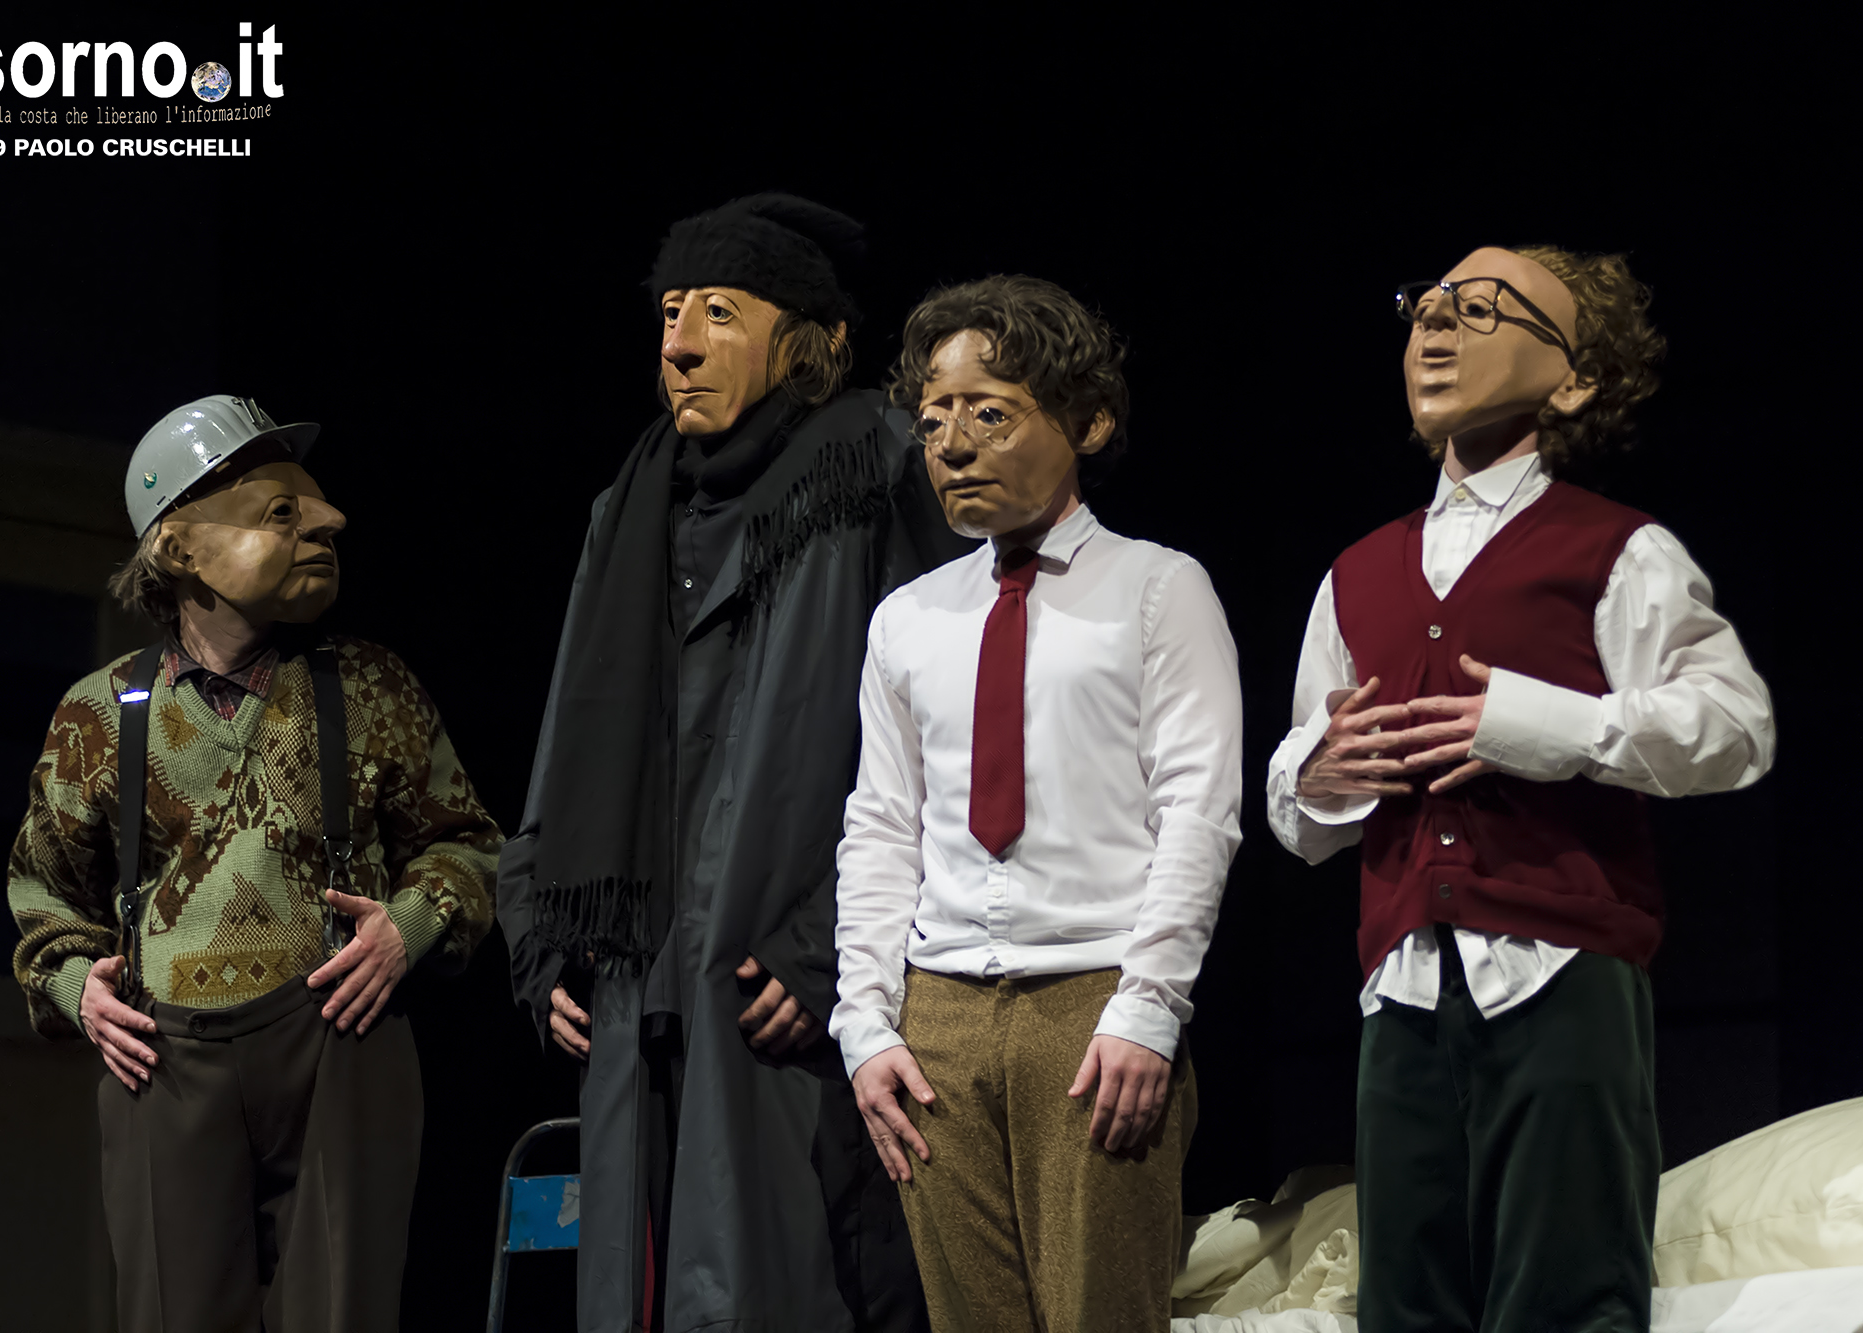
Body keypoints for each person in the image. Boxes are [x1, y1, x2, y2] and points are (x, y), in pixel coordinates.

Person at [1265, 247, 1775, 1330]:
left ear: (1572, 380)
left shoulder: (1614, 548)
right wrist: (1316, 775)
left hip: (1561, 969)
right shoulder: (1356, 571)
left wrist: (1550, 726)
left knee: (1565, 1293)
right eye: (1427, 306)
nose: (1438, 325)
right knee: (1406, 1300)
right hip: (1402, 983)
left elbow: (1737, 727)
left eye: (1483, 308)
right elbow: (1299, 799)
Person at [495, 194, 961, 1333]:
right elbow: (566, 734)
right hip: (635, 984)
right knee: (638, 1290)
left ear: (804, 337)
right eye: (668, 313)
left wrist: (827, 946)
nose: (679, 344)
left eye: (717, 311)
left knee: (780, 1284)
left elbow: (940, 741)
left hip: (779, 982)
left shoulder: (870, 468)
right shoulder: (632, 504)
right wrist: (543, 928)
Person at [7, 395, 500, 1333]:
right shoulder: (101, 714)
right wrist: (78, 990)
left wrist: (409, 927)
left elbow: (466, 841)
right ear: (180, 549)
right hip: (165, 1062)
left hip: (339, 1037)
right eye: (282, 511)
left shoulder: (369, 686)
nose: (329, 521)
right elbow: (43, 892)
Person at [831, 274, 1243, 1332]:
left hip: (1091, 1003)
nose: (952, 445)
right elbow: (881, 826)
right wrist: (864, 1024)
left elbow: (1197, 809)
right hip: (938, 1017)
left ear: (1086, 422)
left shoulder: (1157, 588)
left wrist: (1148, 1006)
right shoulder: (909, 618)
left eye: (989, 413)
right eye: (933, 420)